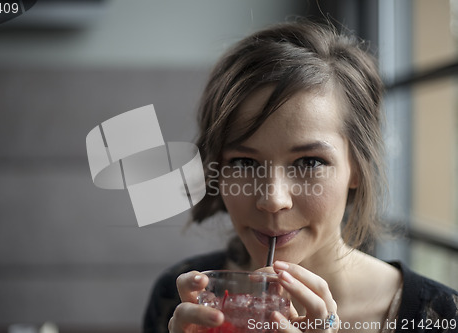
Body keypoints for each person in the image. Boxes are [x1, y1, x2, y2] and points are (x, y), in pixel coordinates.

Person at [143, 19, 458, 333]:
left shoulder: (443, 318)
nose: (272, 200)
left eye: (309, 162)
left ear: (358, 168)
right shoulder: (182, 302)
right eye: (243, 162)